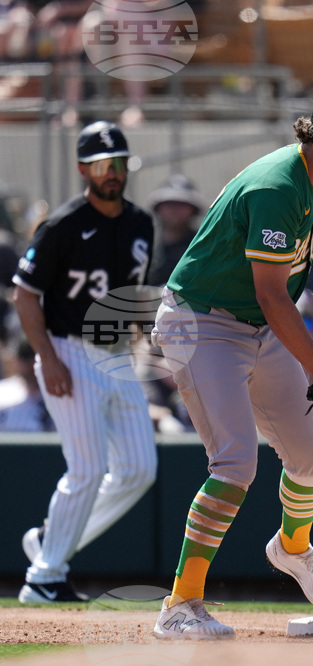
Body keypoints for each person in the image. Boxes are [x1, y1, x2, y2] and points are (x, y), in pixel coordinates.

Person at [150, 92, 313, 639]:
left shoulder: (312, 176)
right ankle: (179, 605)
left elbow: (272, 300)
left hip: (256, 326)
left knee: (311, 457)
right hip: (203, 323)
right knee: (236, 464)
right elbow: (271, 293)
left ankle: (293, 547)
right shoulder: (277, 185)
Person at [13, 120, 158, 603]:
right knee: (88, 469)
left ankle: (50, 542)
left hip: (118, 355)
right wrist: (47, 359)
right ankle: (44, 576)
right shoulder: (62, 225)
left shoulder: (141, 222)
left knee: (140, 468)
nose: (111, 172)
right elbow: (26, 296)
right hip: (69, 350)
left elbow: (136, 296)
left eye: (117, 163)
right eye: (101, 165)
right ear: (83, 169)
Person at [147, 174, 208, 287]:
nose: (175, 210)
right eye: (170, 204)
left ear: (193, 210)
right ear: (158, 208)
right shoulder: (144, 245)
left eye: (182, 205)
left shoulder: (203, 246)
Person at [0, 337, 53, 432]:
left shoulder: (60, 395)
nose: (32, 363)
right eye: (26, 356)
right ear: (15, 360)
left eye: (37, 356)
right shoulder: (3, 392)